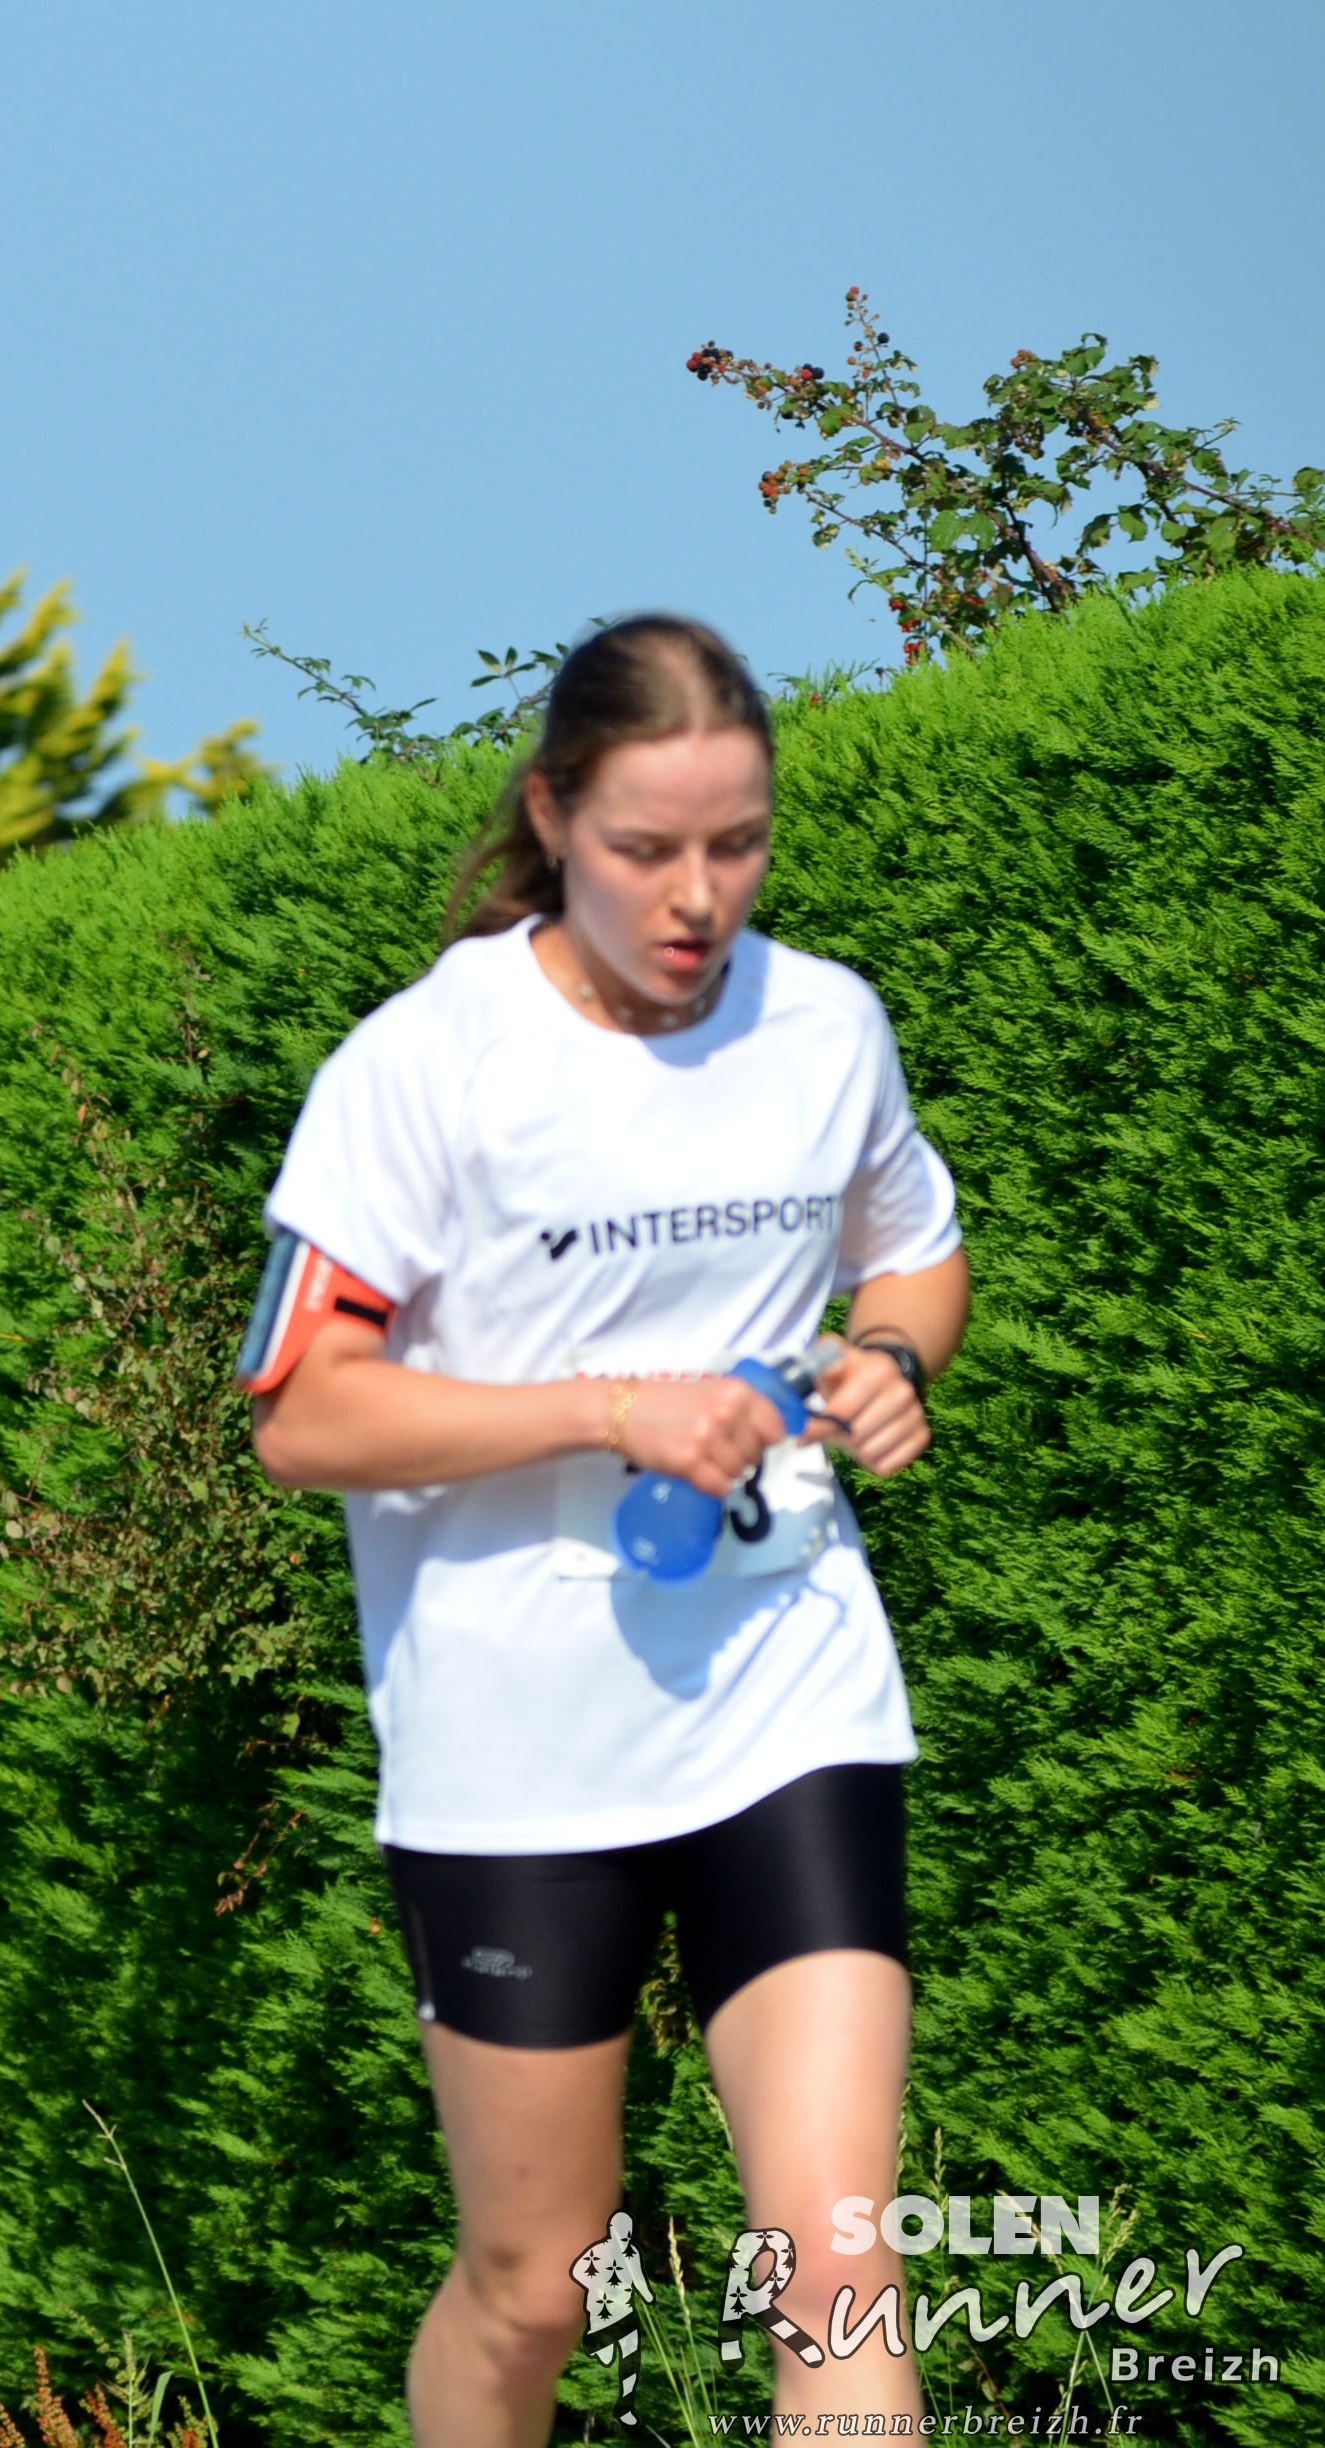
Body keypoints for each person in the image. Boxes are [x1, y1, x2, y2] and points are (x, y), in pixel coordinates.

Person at [241, 616, 968, 2445]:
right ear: (556, 814)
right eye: (648, 848)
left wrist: (889, 1358)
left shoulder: (824, 1025)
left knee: (839, 2262)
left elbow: (915, 1251)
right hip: (517, 1745)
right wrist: (606, 1408)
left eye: (739, 844)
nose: (697, 896)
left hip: (787, 1684)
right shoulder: (428, 1064)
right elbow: (301, 1413)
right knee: (536, 2287)